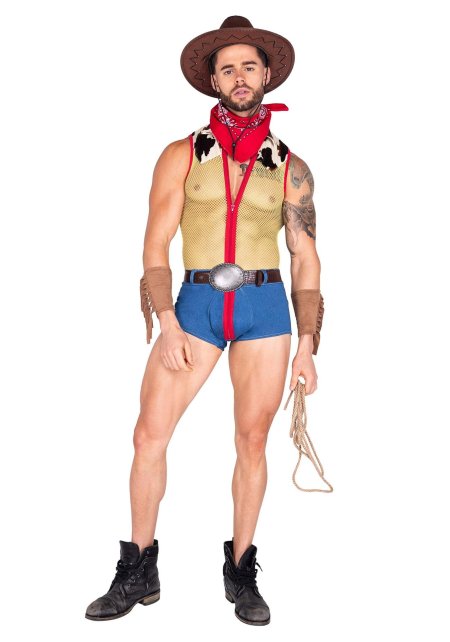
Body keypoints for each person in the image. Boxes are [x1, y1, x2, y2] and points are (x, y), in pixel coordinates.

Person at [85, 15, 324, 627]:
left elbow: (305, 255)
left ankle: (241, 571)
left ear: (266, 76)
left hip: (265, 310)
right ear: (213, 81)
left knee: (252, 441)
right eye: (228, 69)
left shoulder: (291, 167)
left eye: (249, 66)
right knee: (149, 435)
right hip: (194, 305)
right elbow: (155, 240)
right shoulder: (181, 154)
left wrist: (308, 344)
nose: (240, 77)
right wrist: (166, 321)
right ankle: (138, 569)